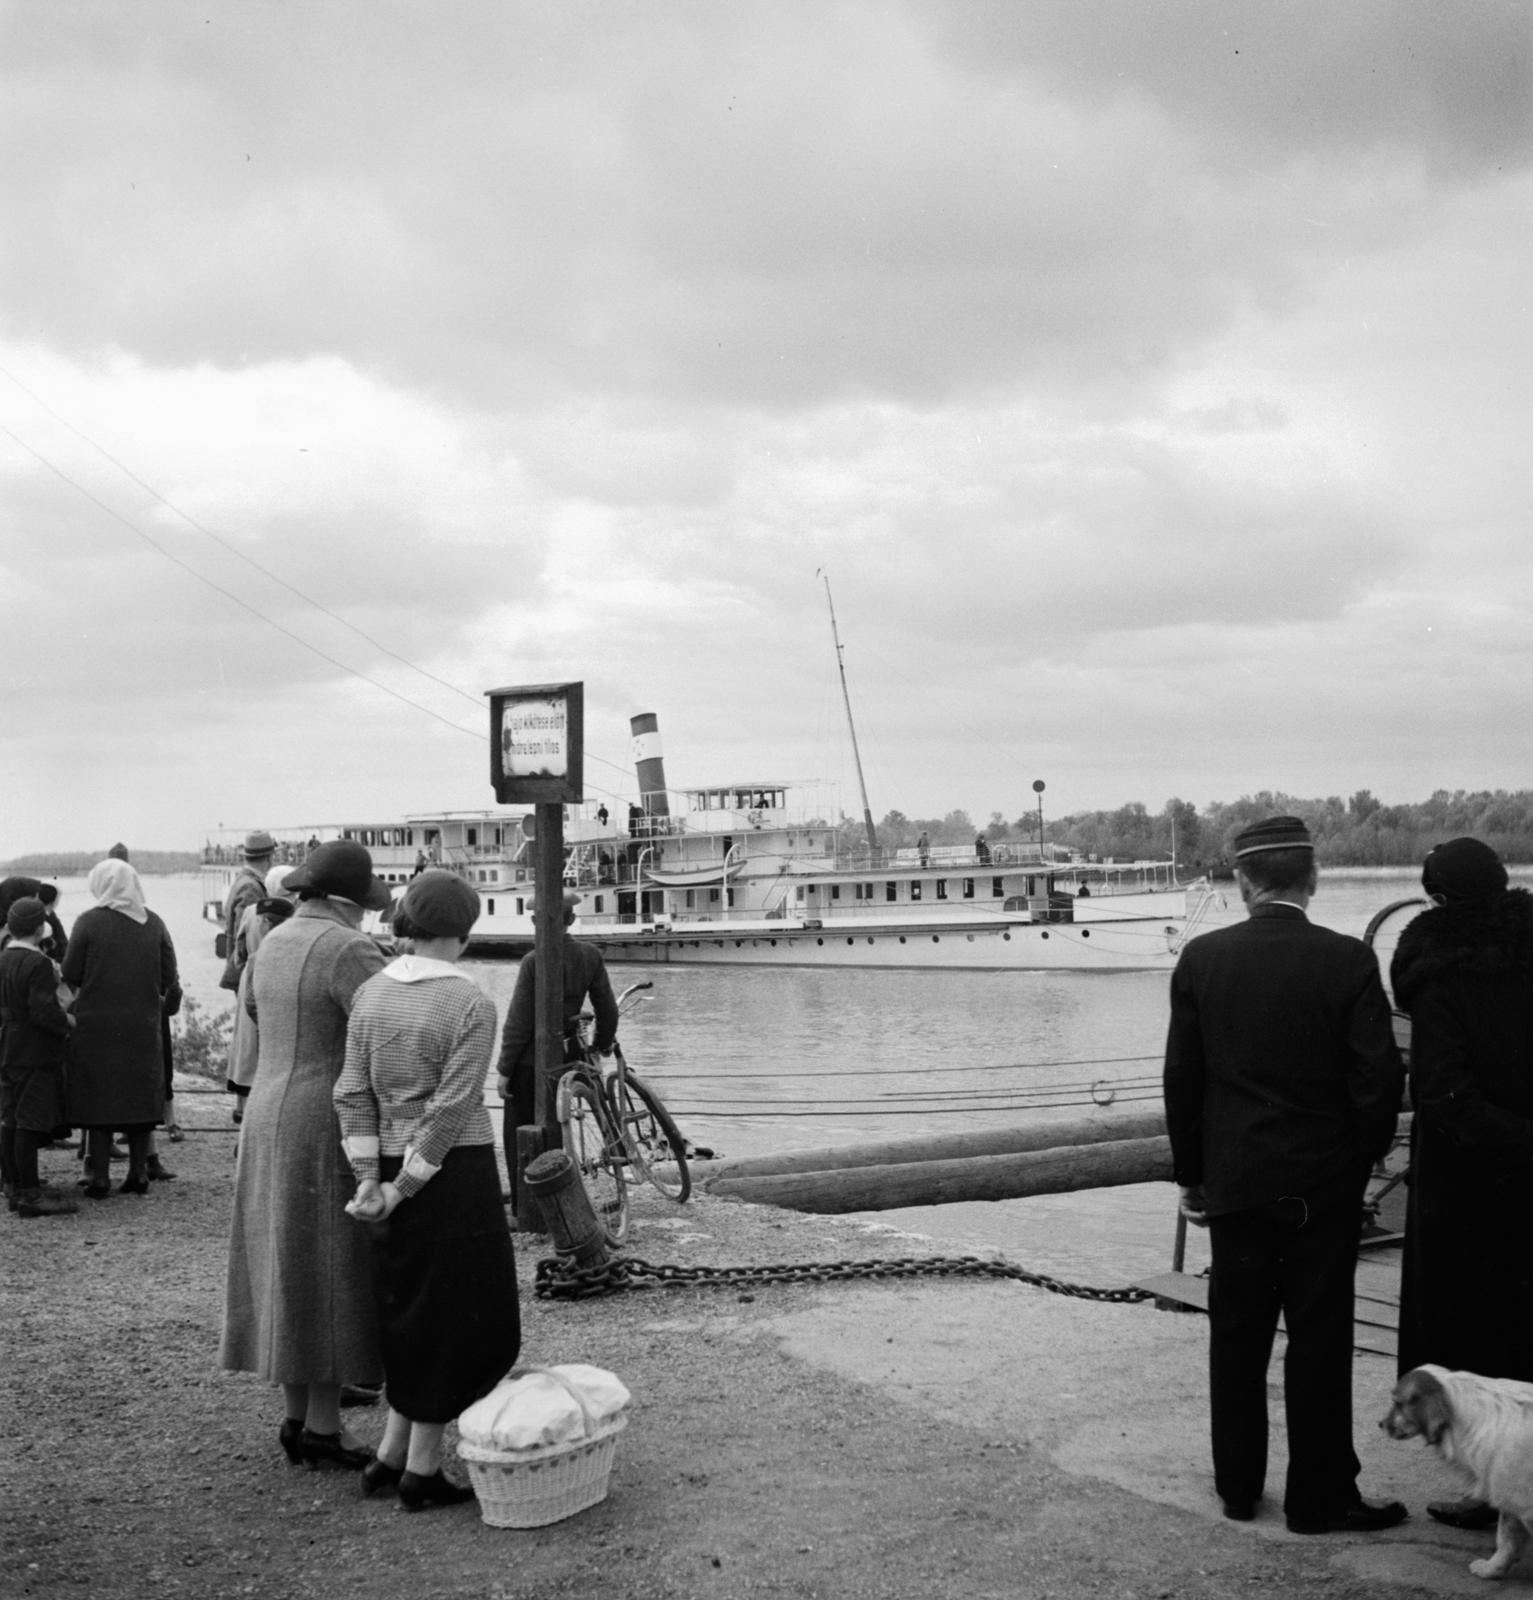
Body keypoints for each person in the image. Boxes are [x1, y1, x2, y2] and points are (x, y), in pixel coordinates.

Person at [1163, 815, 1406, 1534]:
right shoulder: (1344, 961)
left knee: (1235, 1335)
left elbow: (1183, 1079)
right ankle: (1319, 1497)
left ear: (1242, 882)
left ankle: (1238, 1487)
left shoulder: (1202, 958)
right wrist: (1358, 1162)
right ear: (1312, 877)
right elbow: (1377, 1078)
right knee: (1318, 1339)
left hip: (1235, 1178)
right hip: (1319, 1186)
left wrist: (1192, 1175)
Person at [336, 871, 520, 1509]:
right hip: (452, 1170)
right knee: (459, 1314)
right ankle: (421, 1470)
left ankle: (390, 1453)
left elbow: (351, 1092)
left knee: (407, 1306)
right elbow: (452, 1107)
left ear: (406, 922)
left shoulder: (369, 993)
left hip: (382, 1164)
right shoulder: (472, 1003)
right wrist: (408, 1185)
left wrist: (371, 1180)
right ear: (465, 932)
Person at [221, 840, 392, 1471]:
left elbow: (256, 1010)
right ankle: (323, 1427)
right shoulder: (348, 947)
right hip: (326, 1114)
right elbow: (388, 1020)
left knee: (286, 1260)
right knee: (329, 1264)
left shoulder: (275, 941)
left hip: (267, 1107)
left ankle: (297, 1416)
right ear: (350, 903)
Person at [1389, 837, 1533, 1533]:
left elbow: (1443, 1095)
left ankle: (1490, 1490)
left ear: (1435, 898)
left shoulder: (1441, 978)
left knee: (1474, 1342)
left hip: (1468, 1186)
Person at [61, 860, 179, 1199]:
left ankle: (98, 1176)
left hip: (96, 1025)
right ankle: (139, 1171)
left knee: (99, 1095)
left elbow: (71, 971)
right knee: (138, 1095)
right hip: (142, 1025)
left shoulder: (87, 922)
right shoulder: (154, 922)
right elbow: (168, 976)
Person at [496, 889, 618, 1183]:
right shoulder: (590, 955)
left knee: (518, 1130)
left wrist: (504, 1070)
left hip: (530, 1062)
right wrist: (601, 1044)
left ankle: (524, 1202)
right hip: (571, 1057)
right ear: (572, 919)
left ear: (535, 922)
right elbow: (607, 1009)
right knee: (558, 1126)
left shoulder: (533, 961)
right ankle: (561, 1187)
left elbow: (519, 1022)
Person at [0, 897, 78, 1217]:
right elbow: (43, 1010)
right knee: (30, 1123)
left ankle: (15, 1185)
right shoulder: (39, 964)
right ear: (37, 930)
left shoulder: (3, 957)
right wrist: (68, 1023)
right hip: (34, 1050)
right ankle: (30, 1195)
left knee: (10, 1118)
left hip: (7, 1047)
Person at [225, 865, 298, 1124]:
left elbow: (238, 955)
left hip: (250, 978)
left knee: (247, 1050)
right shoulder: (294, 915)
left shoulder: (249, 912)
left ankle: (242, 1109)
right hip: (277, 977)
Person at [220, 830, 276, 991]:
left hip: (243, 972)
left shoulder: (242, 881)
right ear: (269, 858)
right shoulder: (250, 887)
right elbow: (247, 936)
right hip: (248, 976)